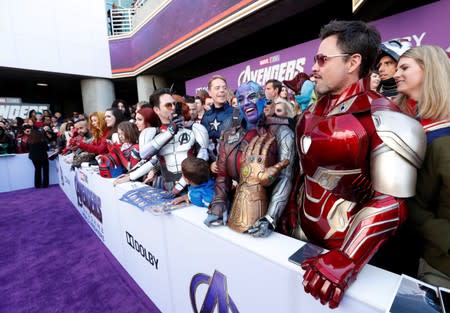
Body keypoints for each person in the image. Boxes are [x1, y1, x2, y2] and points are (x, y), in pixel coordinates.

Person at [280, 20, 426, 308]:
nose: (314, 67)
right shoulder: (310, 114)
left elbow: (392, 203)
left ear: (353, 62)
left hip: (358, 261)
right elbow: (304, 175)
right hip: (304, 245)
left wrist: (347, 257)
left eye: (323, 59)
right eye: (315, 59)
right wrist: (291, 214)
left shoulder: (387, 117)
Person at [205, 81, 295, 237]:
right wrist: (219, 203)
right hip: (234, 216)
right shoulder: (228, 135)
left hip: (272, 220)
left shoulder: (282, 132)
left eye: (252, 97)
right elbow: (222, 175)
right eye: (240, 100)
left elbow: (285, 178)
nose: (246, 103)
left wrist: (270, 218)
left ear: (263, 99)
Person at [395, 45, 450, 288]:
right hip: (423, 254)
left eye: (404, 67)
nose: (395, 74)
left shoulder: (442, 128)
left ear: (429, 70)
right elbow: (411, 201)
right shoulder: (399, 121)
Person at [201, 75, 233, 162]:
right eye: (217, 88)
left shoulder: (236, 113)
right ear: (210, 92)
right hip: (213, 167)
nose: (222, 90)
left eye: (224, 88)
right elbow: (203, 146)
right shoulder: (206, 117)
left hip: (232, 164)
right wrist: (211, 164)